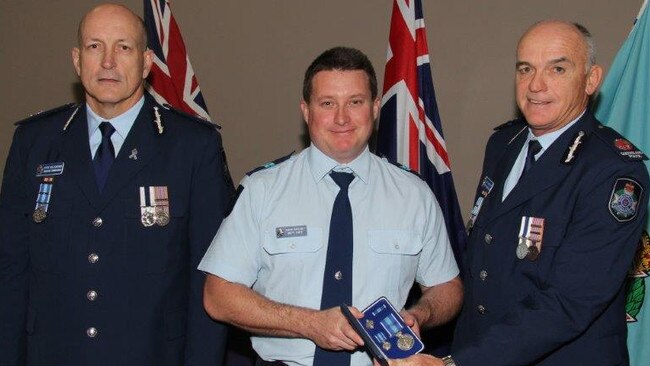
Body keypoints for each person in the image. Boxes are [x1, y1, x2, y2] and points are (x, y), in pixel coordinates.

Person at [393, 20, 650, 366]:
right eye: (525, 68)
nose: (536, 85)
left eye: (557, 68)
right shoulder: (503, 144)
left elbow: (570, 301)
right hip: (481, 350)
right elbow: (485, 264)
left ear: (591, 80)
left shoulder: (613, 170)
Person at [198, 46, 462, 366]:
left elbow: (447, 286)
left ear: (375, 108)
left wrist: (420, 313)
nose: (341, 118)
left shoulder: (415, 195)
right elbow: (217, 296)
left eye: (355, 102)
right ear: (306, 111)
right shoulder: (262, 190)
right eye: (327, 103)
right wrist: (310, 324)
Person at [0, 3, 233, 365]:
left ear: (145, 62)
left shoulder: (191, 147)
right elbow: (10, 273)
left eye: (123, 47)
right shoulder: (35, 142)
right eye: (95, 46)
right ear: (77, 61)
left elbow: (209, 279)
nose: (108, 61)